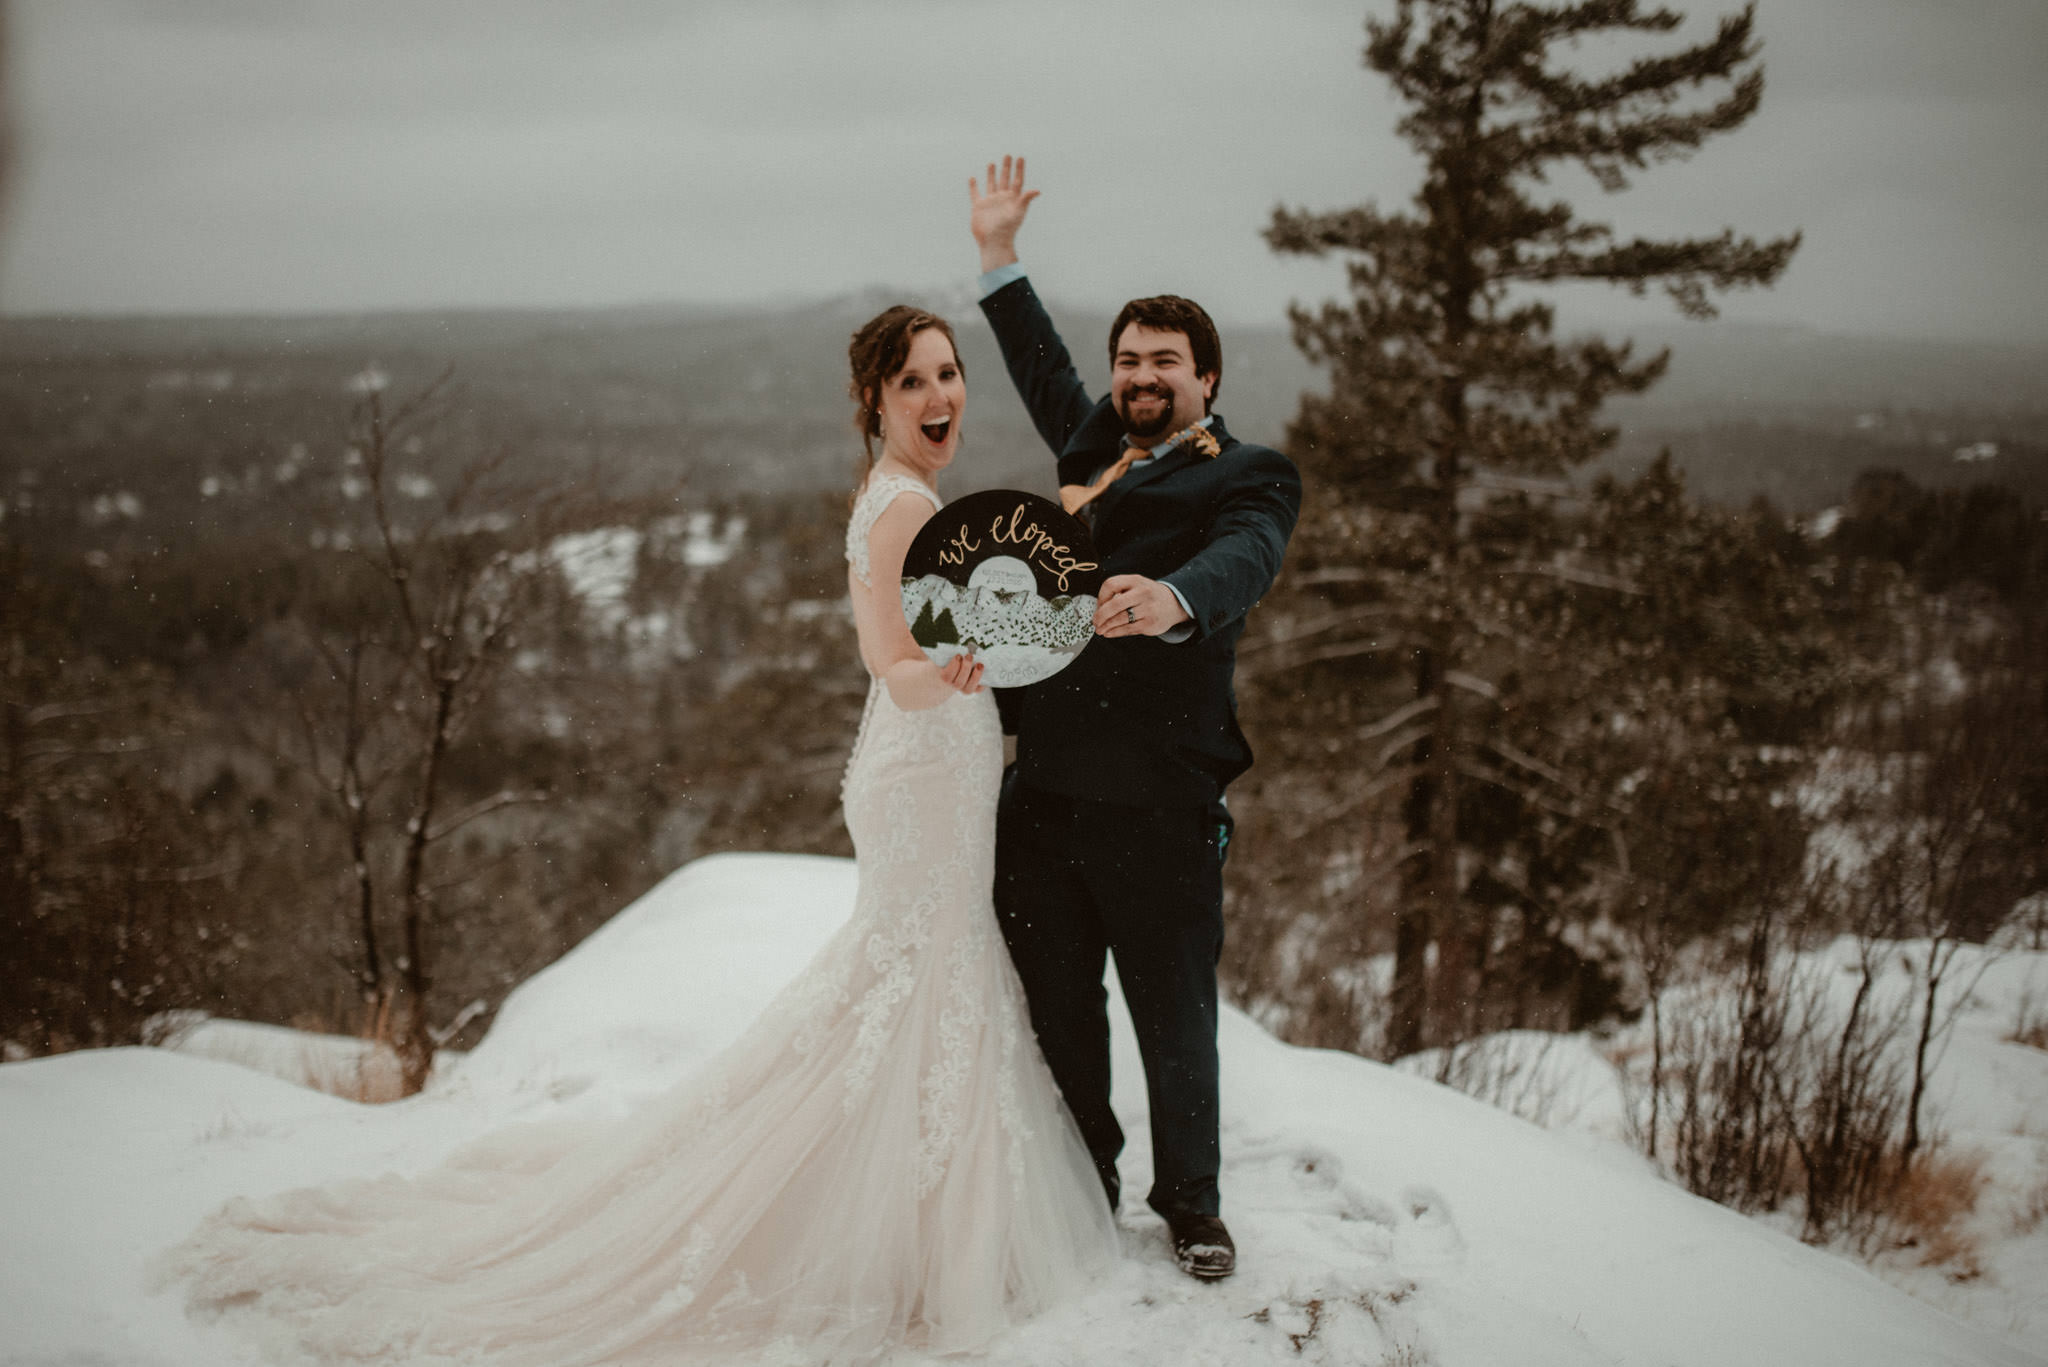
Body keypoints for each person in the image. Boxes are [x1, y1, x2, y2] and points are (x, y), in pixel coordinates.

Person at [150, 305, 1120, 1366]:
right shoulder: (896, 508)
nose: (940, 398)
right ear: (876, 402)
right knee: (914, 974)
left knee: (923, 975)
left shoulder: (909, 497)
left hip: (938, 758)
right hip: (924, 764)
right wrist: (948, 672)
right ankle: (875, 1222)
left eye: (948, 374)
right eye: (914, 383)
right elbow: (887, 659)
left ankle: (912, 1215)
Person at [967, 156, 1302, 1282]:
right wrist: (998, 257)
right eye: (1127, 360)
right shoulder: (1091, 440)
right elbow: (1038, 363)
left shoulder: (1249, 476)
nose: (1138, 375)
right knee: (1056, 1006)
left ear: (1205, 376)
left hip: (1160, 798)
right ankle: (1084, 1180)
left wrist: (1173, 600)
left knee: (1172, 1013)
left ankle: (1191, 1204)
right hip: (1043, 790)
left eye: (1163, 361)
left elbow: (1243, 558)